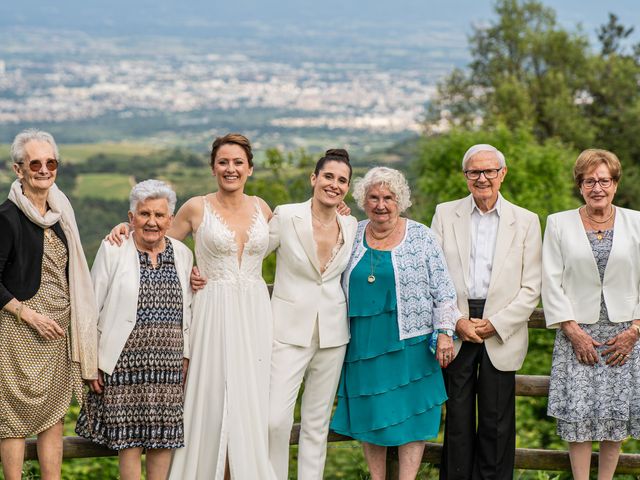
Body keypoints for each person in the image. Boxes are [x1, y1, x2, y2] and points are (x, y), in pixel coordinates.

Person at [107, 134, 276, 479]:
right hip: (212, 311)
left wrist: (340, 211)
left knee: (249, 403)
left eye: (238, 162)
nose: (231, 168)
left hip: (255, 313)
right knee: (212, 400)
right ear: (213, 167)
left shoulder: (263, 208)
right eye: (224, 162)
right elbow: (158, 239)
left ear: (250, 169)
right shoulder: (197, 207)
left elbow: (301, 234)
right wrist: (126, 226)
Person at [330, 166, 460, 480]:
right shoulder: (350, 233)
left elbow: (444, 289)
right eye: (373, 197)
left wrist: (445, 333)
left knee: (412, 413)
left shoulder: (421, 236)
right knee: (372, 411)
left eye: (388, 197)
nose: (381, 204)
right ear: (363, 201)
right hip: (362, 342)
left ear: (400, 201)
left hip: (411, 342)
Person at [431, 144, 541, 480]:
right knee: (458, 420)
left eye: (489, 171)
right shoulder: (444, 214)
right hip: (458, 324)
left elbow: (531, 287)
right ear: (465, 177)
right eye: (474, 172)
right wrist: (456, 321)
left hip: (501, 328)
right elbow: (433, 275)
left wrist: (496, 323)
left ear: (502, 174)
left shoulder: (526, 220)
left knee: (496, 422)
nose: (482, 178)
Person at [75, 180, 193, 480]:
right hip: (123, 366)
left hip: (168, 368)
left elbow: (189, 310)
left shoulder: (182, 254)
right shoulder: (113, 249)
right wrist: (91, 363)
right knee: (129, 446)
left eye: (159, 215)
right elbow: (91, 307)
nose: (151, 221)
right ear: (131, 218)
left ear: (170, 219)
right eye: (144, 214)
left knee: (163, 443)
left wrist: (187, 356)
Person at [0, 129, 98, 479]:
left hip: (56, 330)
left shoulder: (60, 215)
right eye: (35, 163)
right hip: (18, 330)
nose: (44, 169)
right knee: (12, 419)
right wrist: (27, 314)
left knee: (53, 414)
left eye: (50, 162)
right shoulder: (7, 218)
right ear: (19, 170)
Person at [543, 149, 640, 480]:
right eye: (589, 181)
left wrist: (635, 330)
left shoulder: (637, 221)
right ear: (579, 185)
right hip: (577, 334)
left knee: (614, 419)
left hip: (623, 335)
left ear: (615, 183)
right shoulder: (558, 223)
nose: (597, 187)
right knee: (579, 419)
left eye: (604, 180)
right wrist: (572, 330)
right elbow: (550, 280)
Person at [266, 149, 358, 480]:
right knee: (274, 420)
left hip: (333, 335)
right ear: (314, 178)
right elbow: (251, 253)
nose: (334, 184)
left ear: (347, 187)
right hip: (287, 332)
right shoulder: (286, 215)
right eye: (329, 176)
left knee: (317, 425)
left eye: (342, 180)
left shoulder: (350, 224)